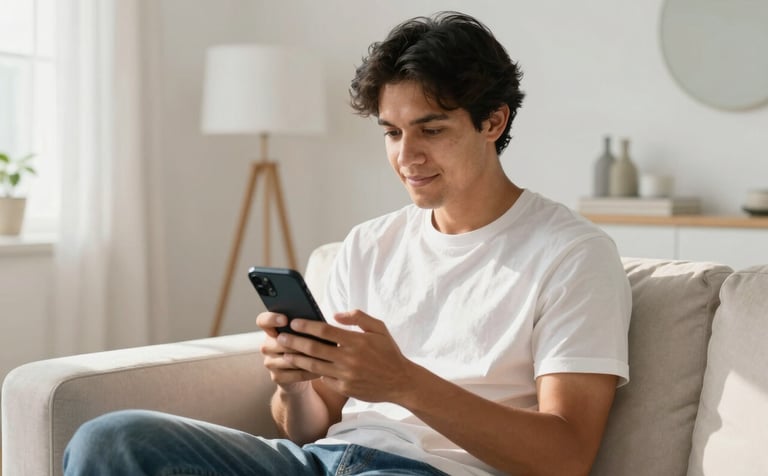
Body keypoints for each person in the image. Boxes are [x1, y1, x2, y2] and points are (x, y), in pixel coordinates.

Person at [63, 11, 630, 476]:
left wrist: (404, 382)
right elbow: (312, 425)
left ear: (492, 122)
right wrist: (293, 385)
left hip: (433, 472)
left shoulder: (572, 254)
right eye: (392, 132)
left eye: (431, 130)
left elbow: (565, 455)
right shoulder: (368, 245)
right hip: (317, 462)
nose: (406, 157)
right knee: (111, 440)